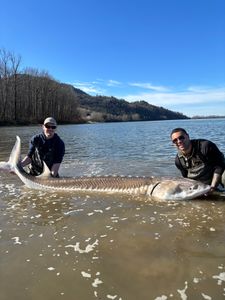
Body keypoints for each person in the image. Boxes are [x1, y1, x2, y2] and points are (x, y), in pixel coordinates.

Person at [170, 127, 225, 192]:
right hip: (201, 182)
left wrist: (212, 187)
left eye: (181, 137)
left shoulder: (205, 146)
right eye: (175, 140)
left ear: (187, 136)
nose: (179, 141)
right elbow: (186, 179)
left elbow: (219, 167)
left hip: (217, 174)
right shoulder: (178, 160)